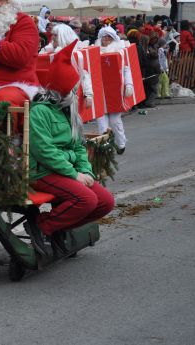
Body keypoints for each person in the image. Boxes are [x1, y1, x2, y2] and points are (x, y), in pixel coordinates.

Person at [24, 40, 115, 256]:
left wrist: (85, 171)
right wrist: (73, 173)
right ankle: (42, 225)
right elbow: (43, 151)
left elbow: (79, 146)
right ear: (64, 90)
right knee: (86, 200)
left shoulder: (68, 112)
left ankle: (57, 227)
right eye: (74, 89)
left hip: (64, 169)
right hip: (43, 171)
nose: (78, 93)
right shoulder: (40, 112)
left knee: (105, 202)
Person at [96, 26, 132, 154]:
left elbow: (126, 69)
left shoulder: (120, 52)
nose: (105, 39)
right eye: (103, 37)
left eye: (108, 37)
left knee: (115, 121)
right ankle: (104, 147)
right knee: (101, 123)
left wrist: (129, 84)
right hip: (100, 91)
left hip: (115, 92)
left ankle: (121, 143)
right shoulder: (94, 52)